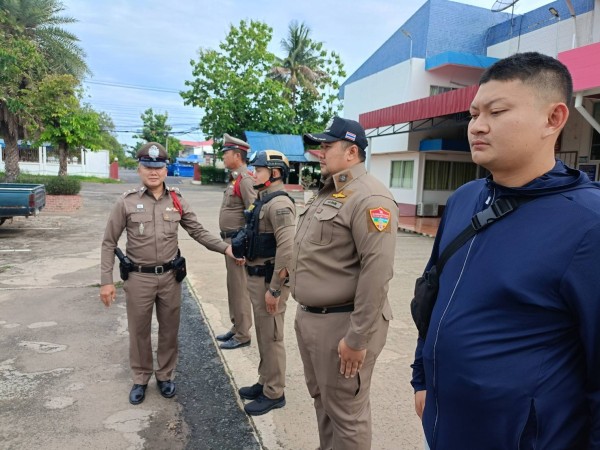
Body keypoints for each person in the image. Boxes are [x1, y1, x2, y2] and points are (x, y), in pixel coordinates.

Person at [411, 52, 600, 449]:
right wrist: (422, 379)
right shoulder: (464, 199)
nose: (477, 126)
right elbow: (434, 294)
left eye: (496, 112)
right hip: (444, 427)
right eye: (474, 114)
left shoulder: (588, 223)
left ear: (553, 119)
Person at [100, 142, 237, 405]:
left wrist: (226, 249)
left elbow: (198, 231)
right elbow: (109, 242)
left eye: (158, 167)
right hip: (138, 277)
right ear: (139, 169)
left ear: (166, 170)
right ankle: (141, 377)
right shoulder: (126, 202)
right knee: (139, 331)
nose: (153, 172)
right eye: (148, 167)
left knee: (169, 330)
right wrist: (107, 281)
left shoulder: (176, 200)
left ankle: (165, 375)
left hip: (169, 278)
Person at [290, 117, 398, 449]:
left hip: (343, 323)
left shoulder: (370, 198)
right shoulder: (330, 192)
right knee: (323, 402)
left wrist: (357, 338)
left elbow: (377, 273)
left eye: (327, 146)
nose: (319, 152)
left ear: (351, 152)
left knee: (347, 414)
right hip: (313, 319)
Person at [234, 150, 296, 416]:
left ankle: (274, 392)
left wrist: (275, 289)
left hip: (269, 282)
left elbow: (287, 250)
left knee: (272, 336)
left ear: (275, 172)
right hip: (258, 278)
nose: (253, 174)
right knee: (263, 334)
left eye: (258, 170)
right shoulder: (264, 199)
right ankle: (265, 380)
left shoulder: (279, 204)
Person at [216, 133, 257, 350]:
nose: (223, 157)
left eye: (226, 153)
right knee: (233, 287)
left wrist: (244, 248)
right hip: (230, 244)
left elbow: (253, 216)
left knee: (240, 290)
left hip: (237, 244)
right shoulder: (235, 179)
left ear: (237, 155)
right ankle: (236, 326)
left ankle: (243, 335)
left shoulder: (246, 180)